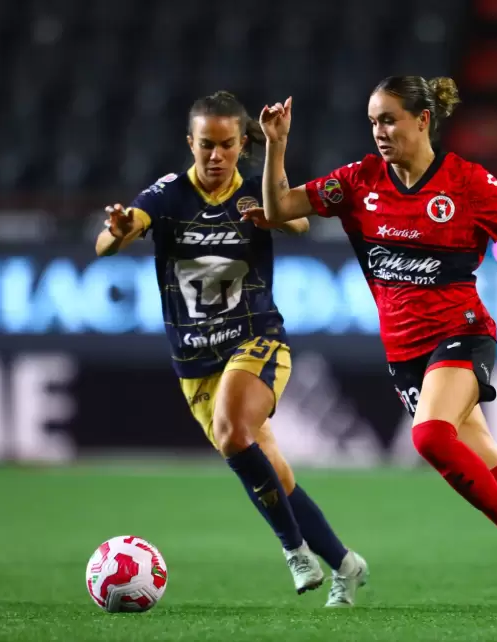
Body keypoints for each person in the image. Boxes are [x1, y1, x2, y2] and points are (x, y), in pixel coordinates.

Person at [247, 77, 497, 612]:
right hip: (404, 356)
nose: (379, 132)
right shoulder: (358, 181)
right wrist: (277, 143)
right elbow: (279, 208)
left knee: (429, 438)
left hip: (462, 333)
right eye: (373, 121)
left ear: (422, 120)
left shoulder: (467, 182)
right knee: (494, 471)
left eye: (389, 119)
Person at [94, 90, 368, 607]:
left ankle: (294, 552)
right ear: (190, 143)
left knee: (231, 430)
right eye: (205, 146)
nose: (215, 156)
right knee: (270, 470)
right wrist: (118, 231)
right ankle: (347, 564)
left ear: (243, 144)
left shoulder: (253, 194)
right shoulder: (168, 195)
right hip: (195, 362)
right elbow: (114, 237)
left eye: (225, 145)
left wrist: (274, 184)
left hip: (256, 340)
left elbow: (299, 221)